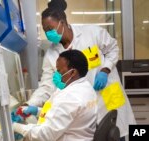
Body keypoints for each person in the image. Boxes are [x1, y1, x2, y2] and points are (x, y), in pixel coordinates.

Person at [26, 0, 135, 140]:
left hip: (108, 96)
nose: (48, 34)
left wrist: (105, 70)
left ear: (63, 22)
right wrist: (29, 104)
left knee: (121, 133)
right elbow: (46, 86)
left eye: (51, 28)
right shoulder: (51, 55)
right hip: (85, 107)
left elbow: (113, 48)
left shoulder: (91, 33)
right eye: (45, 30)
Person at [12, 50, 97, 141]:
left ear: (73, 72)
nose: (55, 75)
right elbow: (63, 115)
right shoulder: (86, 87)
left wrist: (15, 127)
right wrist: (37, 111)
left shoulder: (69, 97)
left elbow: (44, 136)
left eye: (59, 70)